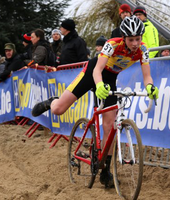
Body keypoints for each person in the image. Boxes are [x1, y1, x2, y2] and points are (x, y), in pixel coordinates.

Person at [32, 16, 159, 187]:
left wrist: (150, 87)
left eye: (138, 38)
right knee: (58, 110)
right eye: (131, 39)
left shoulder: (142, 50)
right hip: (92, 73)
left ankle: (105, 169)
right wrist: (98, 85)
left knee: (110, 126)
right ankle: (53, 101)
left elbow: (147, 76)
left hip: (110, 79)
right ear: (124, 37)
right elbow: (98, 70)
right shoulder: (113, 44)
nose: (135, 43)